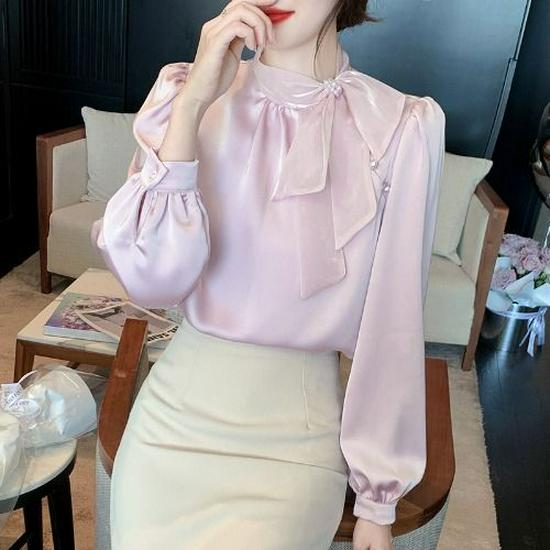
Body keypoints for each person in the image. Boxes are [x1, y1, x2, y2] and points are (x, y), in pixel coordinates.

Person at [90, 0, 446, 548]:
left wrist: (378, 497)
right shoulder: (188, 94)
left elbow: (393, 325)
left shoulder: (400, 126)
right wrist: (192, 105)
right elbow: (152, 281)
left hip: (295, 452)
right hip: (169, 431)